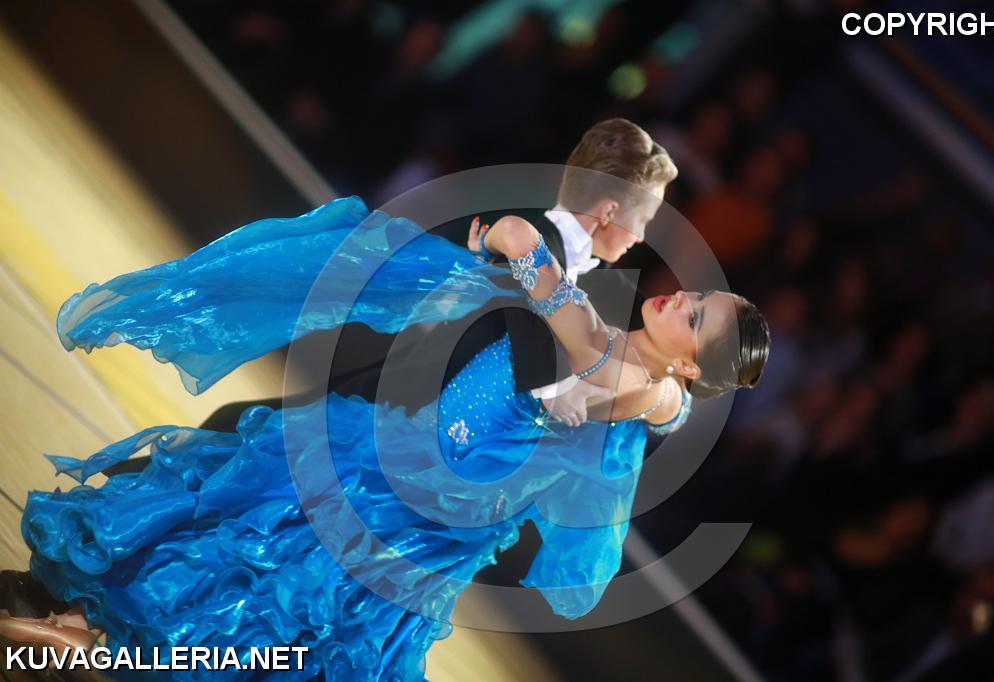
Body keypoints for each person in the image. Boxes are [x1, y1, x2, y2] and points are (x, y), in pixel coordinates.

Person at [4, 194, 768, 680]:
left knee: (265, 581)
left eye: (695, 317)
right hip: (399, 474)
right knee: (248, 562)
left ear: (693, 366)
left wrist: (519, 239)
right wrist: (513, 253)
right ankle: (75, 632)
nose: (679, 299)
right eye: (698, 294)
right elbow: (552, 308)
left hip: (406, 507)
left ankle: (77, 642)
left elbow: (546, 292)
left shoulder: (642, 382)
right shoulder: (622, 351)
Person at [194, 118, 678, 436]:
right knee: (254, 447)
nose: (641, 236)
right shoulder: (523, 241)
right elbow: (525, 306)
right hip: (397, 410)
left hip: (428, 438)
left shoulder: (589, 279)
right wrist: (554, 387)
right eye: (645, 219)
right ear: (609, 211)